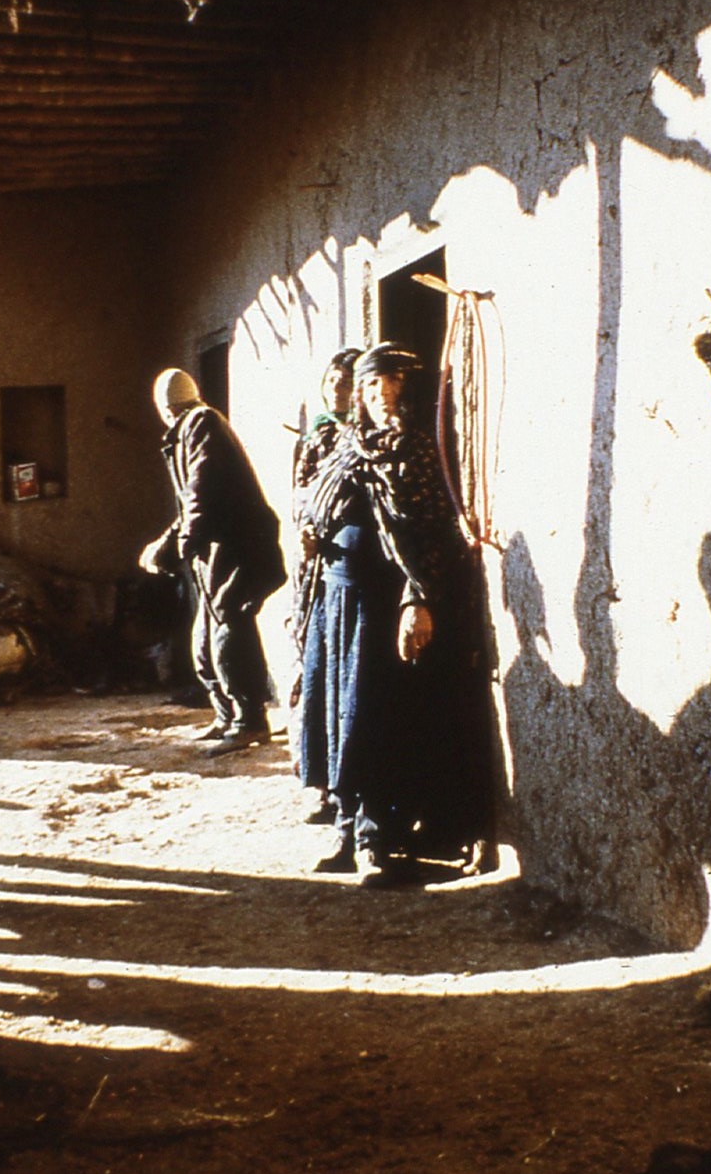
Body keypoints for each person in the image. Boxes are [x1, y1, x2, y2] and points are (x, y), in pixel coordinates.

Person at [297, 341, 499, 885]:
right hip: (338, 603)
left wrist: (417, 599)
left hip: (384, 607)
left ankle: (378, 841)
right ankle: (347, 830)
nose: (381, 394)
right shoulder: (347, 446)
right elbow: (313, 502)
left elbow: (429, 536)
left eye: (393, 382)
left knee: (375, 718)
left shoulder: (419, 452)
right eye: (371, 384)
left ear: (411, 390)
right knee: (339, 716)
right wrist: (311, 531)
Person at [139, 368, 286, 751]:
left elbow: (200, 496)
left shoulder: (200, 425)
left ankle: (250, 721)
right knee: (206, 638)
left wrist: (178, 548)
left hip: (237, 551)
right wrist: (167, 544)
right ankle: (228, 715)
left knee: (229, 633)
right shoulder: (193, 427)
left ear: (163, 408)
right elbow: (193, 503)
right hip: (222, 552)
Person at [290, 348, 360, 821]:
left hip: (348, 570)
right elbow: (300, 495)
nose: (338, 388)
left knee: (345, 681)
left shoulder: (364, 439)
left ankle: (345, 789)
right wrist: (304, 532)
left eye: (347, 381)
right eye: (332, 380)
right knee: (315, 675)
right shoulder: (316, 435)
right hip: (316, 571)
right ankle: (320, 785)